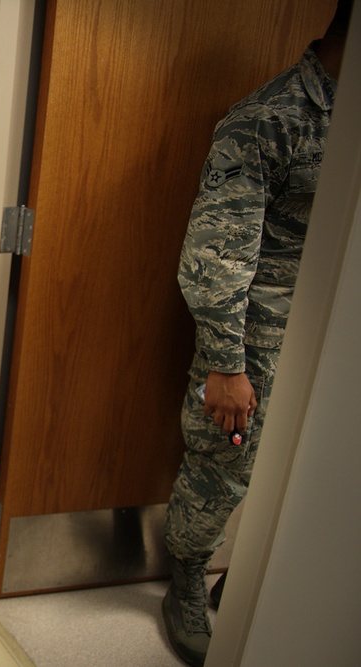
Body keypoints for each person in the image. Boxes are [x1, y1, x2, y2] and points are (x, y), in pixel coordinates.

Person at [161, 3, 351, 665]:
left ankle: (265, 575)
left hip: (334, 337)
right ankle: (186, 575)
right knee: (225, 465)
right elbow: (216, 253)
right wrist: (225, 363)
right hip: (258, 337)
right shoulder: (268, 119)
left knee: (314, 469)